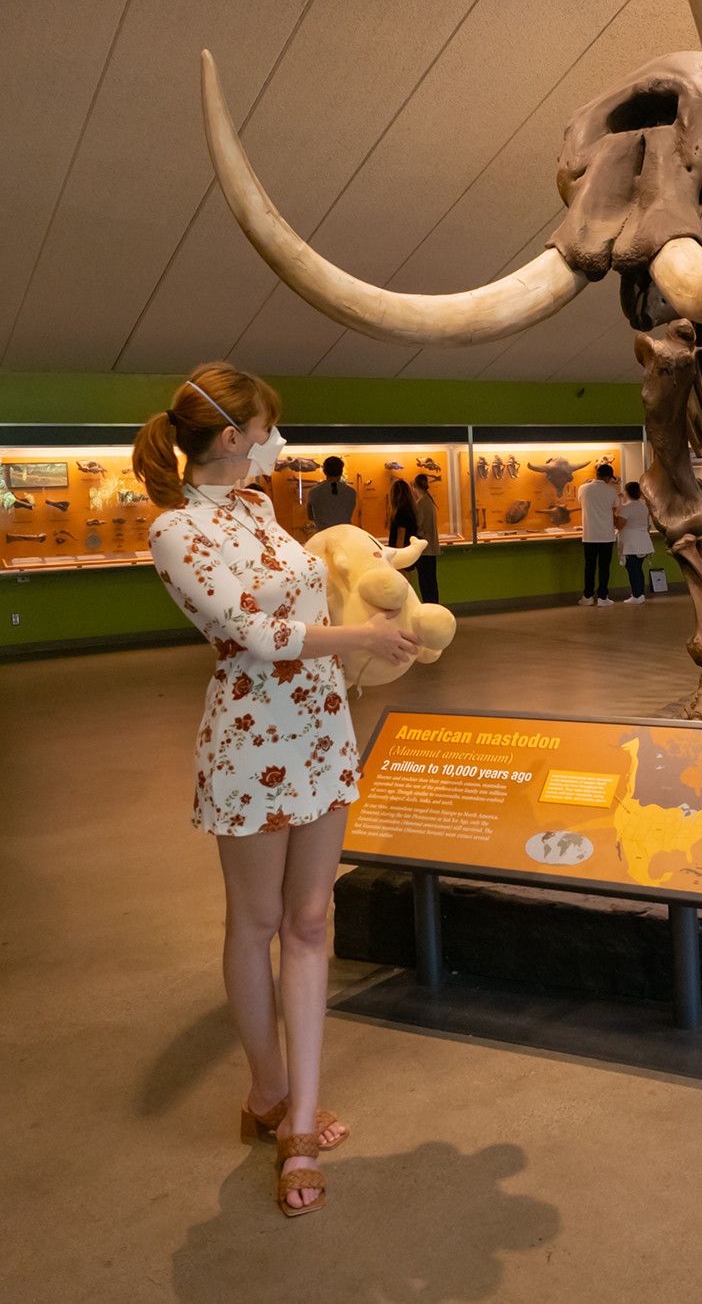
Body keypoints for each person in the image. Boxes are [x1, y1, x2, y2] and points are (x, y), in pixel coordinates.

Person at [133, 362, 418, 1218]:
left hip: (321, 729)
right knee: (255, 922)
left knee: (308, 919)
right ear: (233, 436)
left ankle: (299, 1112)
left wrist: (368, 635)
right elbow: (248, 631)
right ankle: (268, 1093)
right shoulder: (177, 532)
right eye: (265, 429)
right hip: (250, 741)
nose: (273, 443)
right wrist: (356, 635)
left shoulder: (260, 509)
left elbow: (306, 595)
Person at [578, 462, 620, 607]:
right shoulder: (611, 491)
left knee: (589, 567)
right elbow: (615, 510)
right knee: (604, 567)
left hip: (589, 535)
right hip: (607, 536)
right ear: (608, 477)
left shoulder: (583, 488)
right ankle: (603, 597)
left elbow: (581, 502)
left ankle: (588, 596)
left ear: (597, 474)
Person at [615, 481, 653, 603]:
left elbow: (619, 525)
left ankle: (637, 595)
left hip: (631, 543)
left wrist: (612, 514)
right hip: (643, 541)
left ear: (626, 492)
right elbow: (647, 525)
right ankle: (639, 594)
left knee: (633, 569)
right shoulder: (643, 506)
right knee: (638, 568)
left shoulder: (627, 508)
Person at [306, 455, 356, 533]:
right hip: (344, 535)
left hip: (323, 536)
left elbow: (310, 516)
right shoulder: (351, 492)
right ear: (341, 471)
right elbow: (348, 513)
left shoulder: (314, 492)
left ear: (324, 471)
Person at [411, 473, 441, 602]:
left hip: (424, 550)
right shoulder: (429, 501)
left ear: (415, 486)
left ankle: (430, 608)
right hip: (431, 549)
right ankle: (434, 607)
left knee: (426, 583)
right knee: (431, 582)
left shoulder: (421, 503)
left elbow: (419, 526)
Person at [387, 477, 419, 550]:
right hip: (410, 551)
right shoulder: (410, 510)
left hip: (402, 553)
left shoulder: (400, 512)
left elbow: (401, 537)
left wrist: (398, 556)